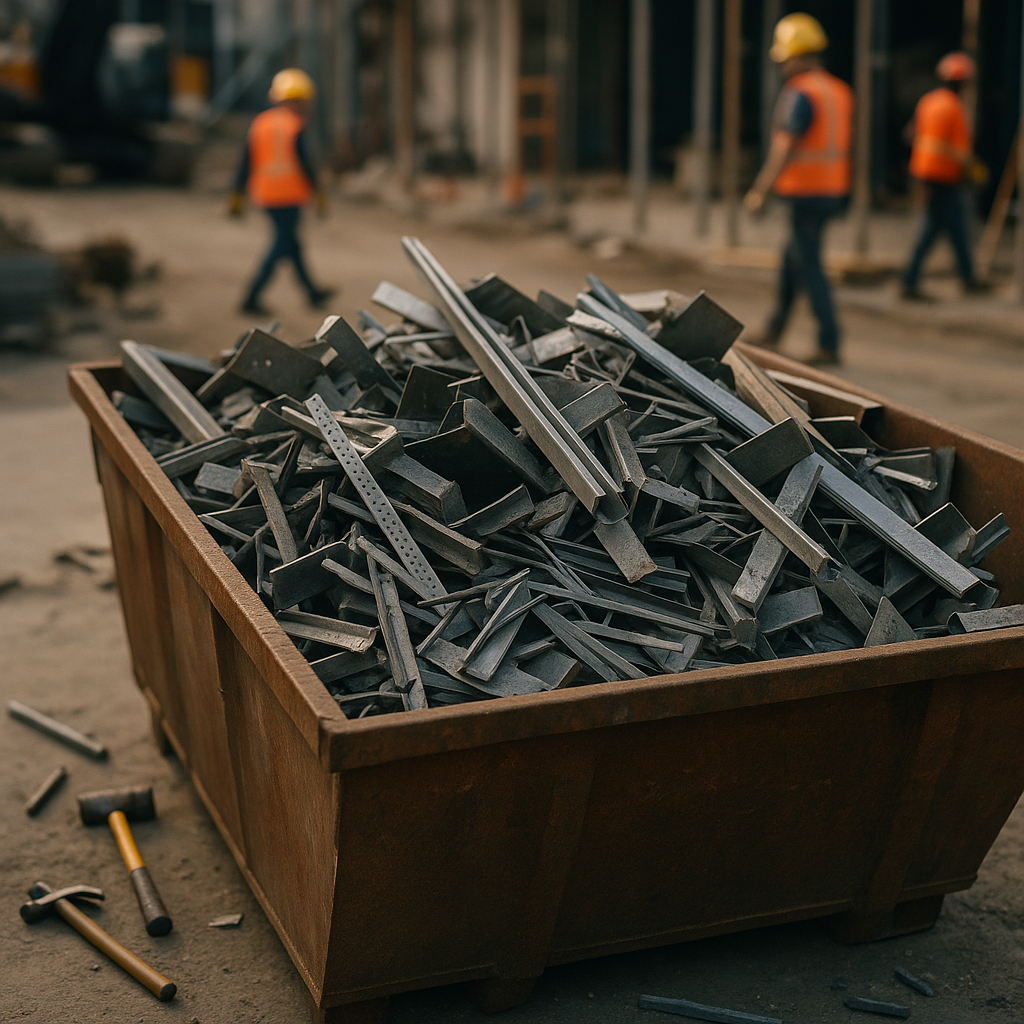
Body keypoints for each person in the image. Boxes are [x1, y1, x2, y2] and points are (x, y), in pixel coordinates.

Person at [743, 13, 853, 367]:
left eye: (785, 58)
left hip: (805, 193)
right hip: (832, 190)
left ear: (801, 55)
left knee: (808, 264)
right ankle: (775, 326)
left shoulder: (800, 93)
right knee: (794, 256)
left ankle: (829, 340)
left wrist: (760, 189)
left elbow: (785, 146)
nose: (783, 66)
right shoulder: (839, 90)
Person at [229, 68, 334, 315]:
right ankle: (251, 297)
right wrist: (318, 192)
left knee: (292, 245)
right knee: (281, 245)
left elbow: (246, 160)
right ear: (297, 100)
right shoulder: (294, 125)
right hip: (289, 195)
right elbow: (304, 163)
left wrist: (236, 194)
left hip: (265, 194)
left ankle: (312, 292)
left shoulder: (260, 123)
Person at [901, 52, 988, 301]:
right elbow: (962, 152)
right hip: (946, 178)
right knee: (937, 228)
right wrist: (975, 170)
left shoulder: (928, 102)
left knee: (951, 228)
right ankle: (911, 280)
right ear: (963, 82)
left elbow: (911, 135)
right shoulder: (955, 108)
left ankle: (966, 277)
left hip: (922, 174)